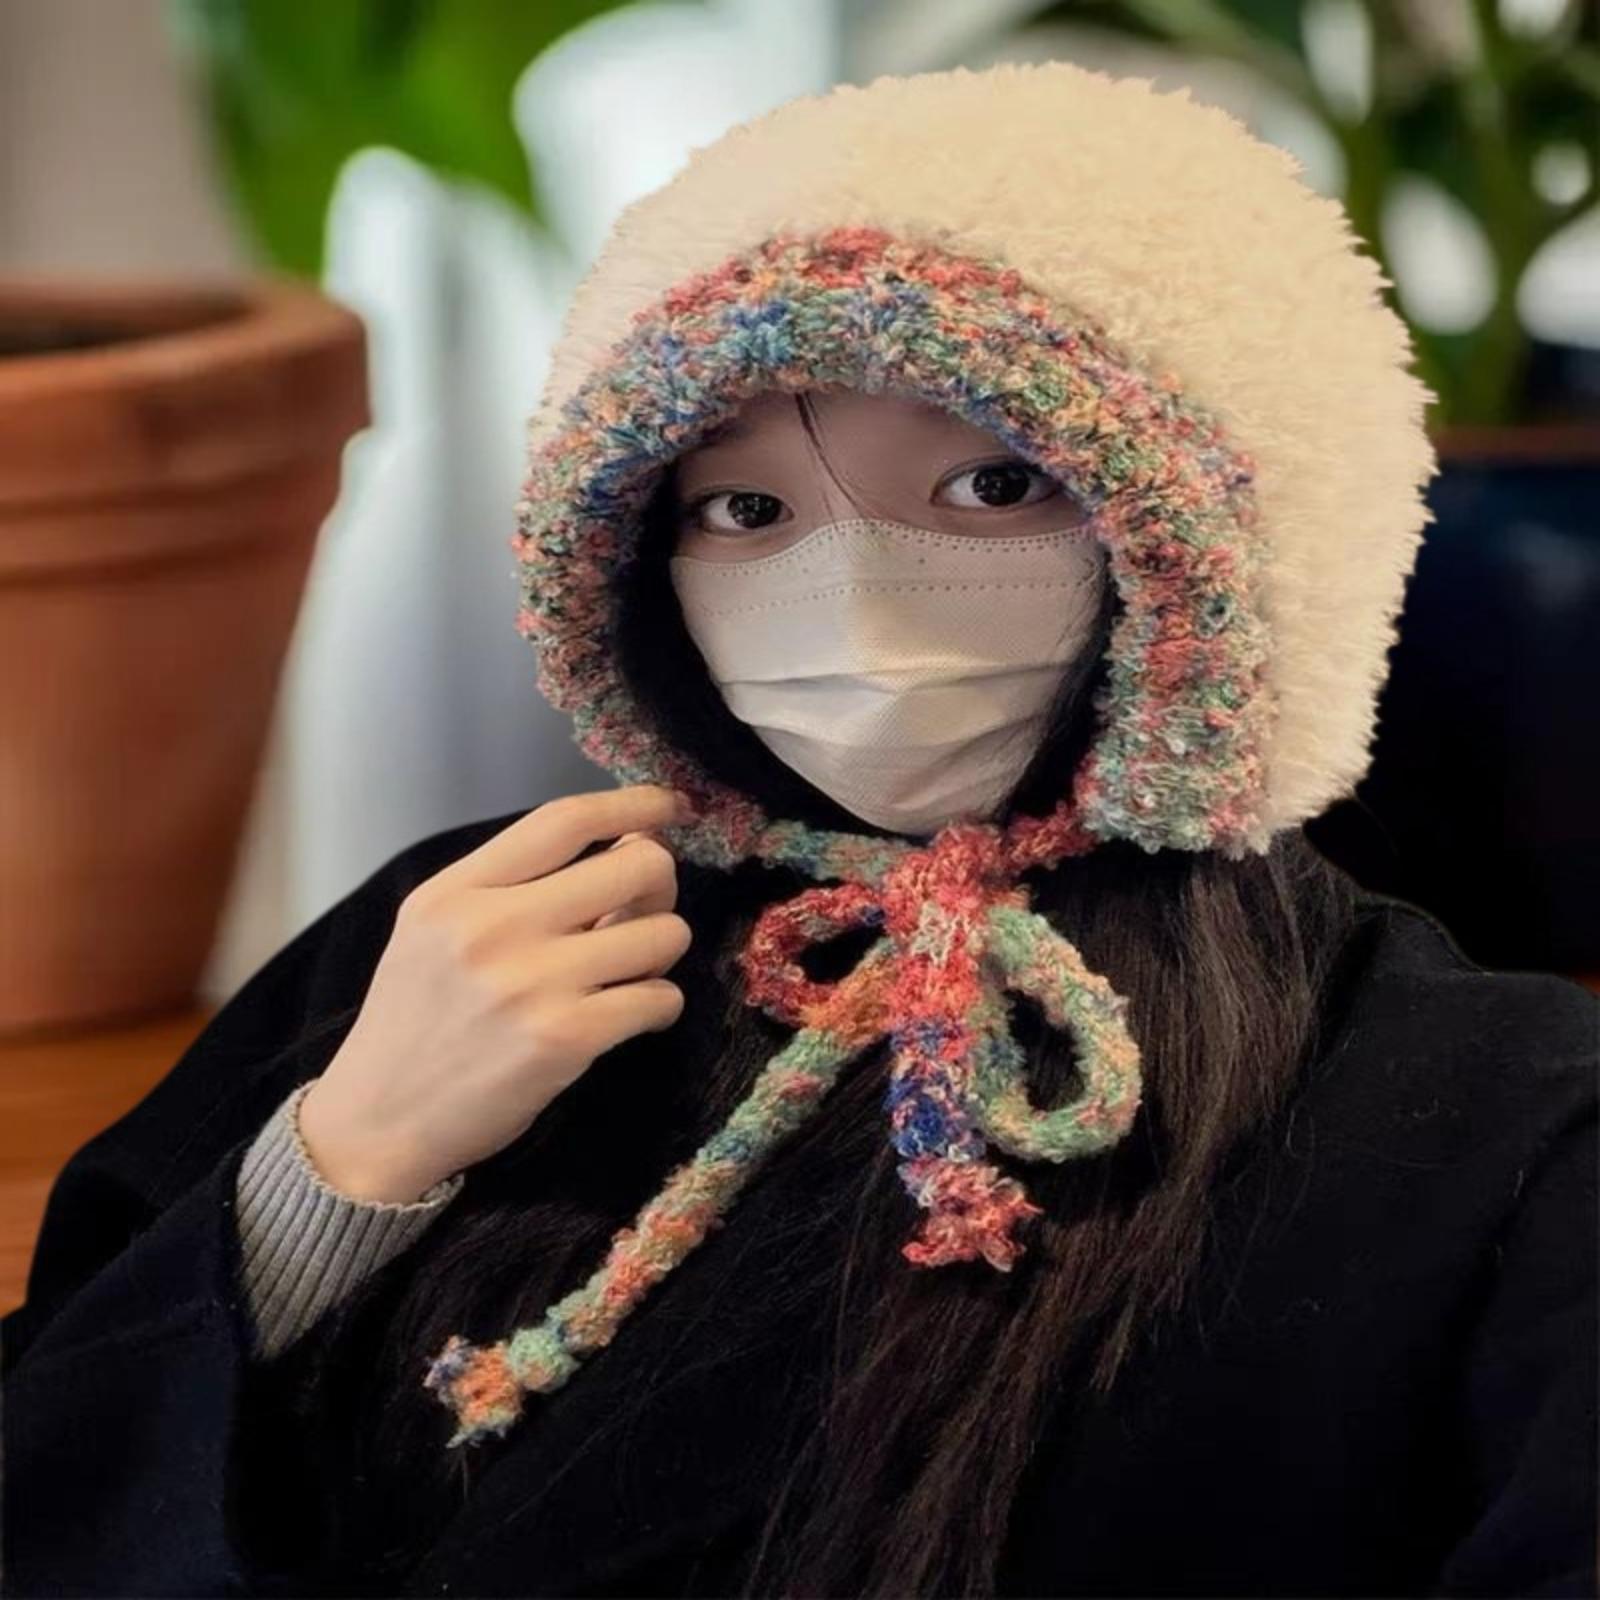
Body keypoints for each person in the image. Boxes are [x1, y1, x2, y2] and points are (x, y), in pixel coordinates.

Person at [4, 59, 1595, 1600]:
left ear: (1235, 532)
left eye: (993, 484)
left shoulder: (1494, 1119)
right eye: (745, 510)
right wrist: (335, 1172)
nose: (860, 608)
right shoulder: (484, 927)